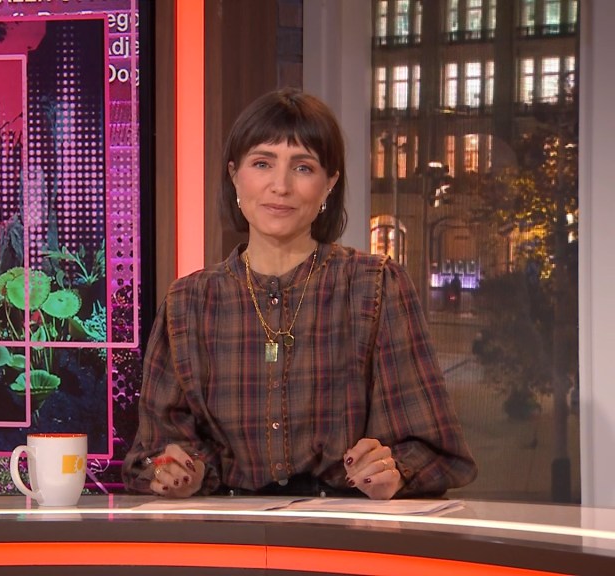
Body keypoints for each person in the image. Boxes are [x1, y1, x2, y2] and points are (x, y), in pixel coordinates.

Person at [122, 89, 476, 500]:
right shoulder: (188, 302)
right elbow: (151, 453)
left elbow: (436, 453)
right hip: (226, 528)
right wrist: (181, 471)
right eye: (262, 163)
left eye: (303, 167)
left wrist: (393, 471)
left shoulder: (376, 285)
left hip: (346, 526)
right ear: (234, 175)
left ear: (329, 184)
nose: (281, 186)